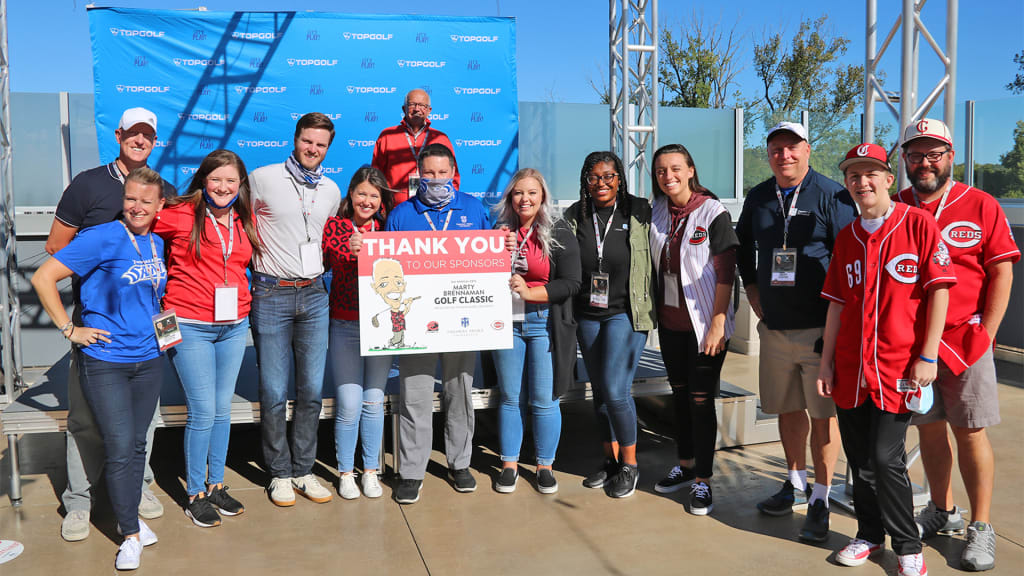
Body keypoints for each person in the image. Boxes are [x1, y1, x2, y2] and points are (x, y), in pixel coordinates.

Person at [818, 143, 955, 576]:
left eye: (871, 173)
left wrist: (928, 354)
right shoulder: (847, 236)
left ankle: (908, 544)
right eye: (854, 176)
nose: (863, 182)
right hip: (851, 369)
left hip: (898, 368)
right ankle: (869, 535)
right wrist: (826, 363)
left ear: (888, 179)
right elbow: (837, 304)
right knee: (859, 460)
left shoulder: (918, 225)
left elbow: (940, 291)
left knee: (885, 457)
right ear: (847, 184)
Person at [894, 119, 1019, 572]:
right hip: (913, 346)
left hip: (966, 340)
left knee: (970, 431)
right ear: (904, 160)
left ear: (950, 157)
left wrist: (987, 329)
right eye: (915, 155)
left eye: (934, 154)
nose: (924, 163)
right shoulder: (897, 205)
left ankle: (981, 527)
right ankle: (941, 510)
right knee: (928, 429)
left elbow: (1002, 270)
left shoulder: (980, 204)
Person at [45, 107, 175, 542]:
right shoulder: (88, 183)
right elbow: (55, 249)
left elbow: (159, 259)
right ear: (119, 134)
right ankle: (79, 501)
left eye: (148, 135)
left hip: (144, 340)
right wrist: (75, 321)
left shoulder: (162, 190)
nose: (140, 140)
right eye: (133, 133)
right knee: (85, 421)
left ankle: (135, 493)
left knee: (142, 427)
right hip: (97, 331)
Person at [736, 121, 857, 541]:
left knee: (822, 417)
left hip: (820, 329)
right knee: (786, 411)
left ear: (807, 150)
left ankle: (821, 497)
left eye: (792, 148)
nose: (783, 156)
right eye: (775, 149)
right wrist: (751, 289)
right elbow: (742, 246)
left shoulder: (832, 195)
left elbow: (850, 254)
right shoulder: (759, 197)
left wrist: (842, 323)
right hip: (774, 328)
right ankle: (795, 483)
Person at [370, 143, 490, 504]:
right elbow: (387, 266)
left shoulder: (472, 208)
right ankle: (411, 471)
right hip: (416, 323)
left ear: (453, 172)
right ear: (418, 174)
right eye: (429, 173)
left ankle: (459, 463)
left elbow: (490, 262)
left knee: (459, 394)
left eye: (442, 173)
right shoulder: (402, 214)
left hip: (460, 321)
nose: (436, 180)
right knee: (415, 396)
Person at [154, 149, 260, 527]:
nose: (223, 187)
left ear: (240, 185)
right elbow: (134, 228)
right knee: (202, 411)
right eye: (216, 179)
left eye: (231, 181)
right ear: (203, 179)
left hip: (233, 326)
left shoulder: (243, 219)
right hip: (189, 323)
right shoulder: (179, 214)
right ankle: (194, 492)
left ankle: (216, 484)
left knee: (221, 409)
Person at [249, 113, 342, 507]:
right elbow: (236, 220)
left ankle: (304, 469)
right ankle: (279, 473)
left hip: (315, 295)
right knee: (272, 391)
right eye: (307, 141)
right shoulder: (262, 178)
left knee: (311, 392)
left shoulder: (332, 190)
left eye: (320, 144)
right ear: (295, 138)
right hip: (271, 293)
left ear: (327, 148)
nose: (312, 149)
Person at [648, 144, 738, 515]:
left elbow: (726, 272)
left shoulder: (712, 212)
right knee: (680, 395)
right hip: (670, 324)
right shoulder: (654, 212)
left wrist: (718, 320)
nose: (668, 176)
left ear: (690, 170)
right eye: (660, 171)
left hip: (706, 327)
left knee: (701, 401)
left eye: (675, 169)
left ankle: (703, 480)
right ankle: (684, 466)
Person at [563, 151, 655, 499]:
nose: (601, 184)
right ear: (585, 181)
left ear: (620, 178)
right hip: (589, 314)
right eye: (593, 177)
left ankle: (630, 465)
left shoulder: (639, 211)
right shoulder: (575, 215)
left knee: (617, 389)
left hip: (626, 312)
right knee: (599, 391)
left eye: (608, 176)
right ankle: (610, 460)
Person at [491, 168, 581, 494]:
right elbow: (480, 276)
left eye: (531, 192)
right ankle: (509, 464)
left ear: (543, 196)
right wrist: (497, 250)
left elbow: (572, 283)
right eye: (518, 193)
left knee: (545, 399)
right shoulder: (499, 231)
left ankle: (545, 466)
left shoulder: (558, 231)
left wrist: (531, 293)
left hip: (545, 322)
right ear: (510, 197)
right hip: (507, 324)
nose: (524, 199)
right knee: (510, 397)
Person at [322, 166, 394, 499]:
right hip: (346, 324)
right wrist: (352, 251)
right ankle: (345, 472)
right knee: (349, 403)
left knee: (374, 401)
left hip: (381, 326)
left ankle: (370, 470)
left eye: (374, 196)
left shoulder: (388, 229)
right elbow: (335, 260)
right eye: (362, 193)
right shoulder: (336, 226)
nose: (367, 201)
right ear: (351, 195)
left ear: (382, 201)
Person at [371, 88, 460, 205]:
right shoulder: (387, 136)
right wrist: (381, 207)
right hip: (394, 209)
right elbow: (376, 176)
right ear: (404, 109)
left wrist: (445, 206)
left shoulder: (440, 138)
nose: (417, 109)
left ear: (429, 110)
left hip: (433, 209)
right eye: (412, 104)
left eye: (422, 105)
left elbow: (454, 178)